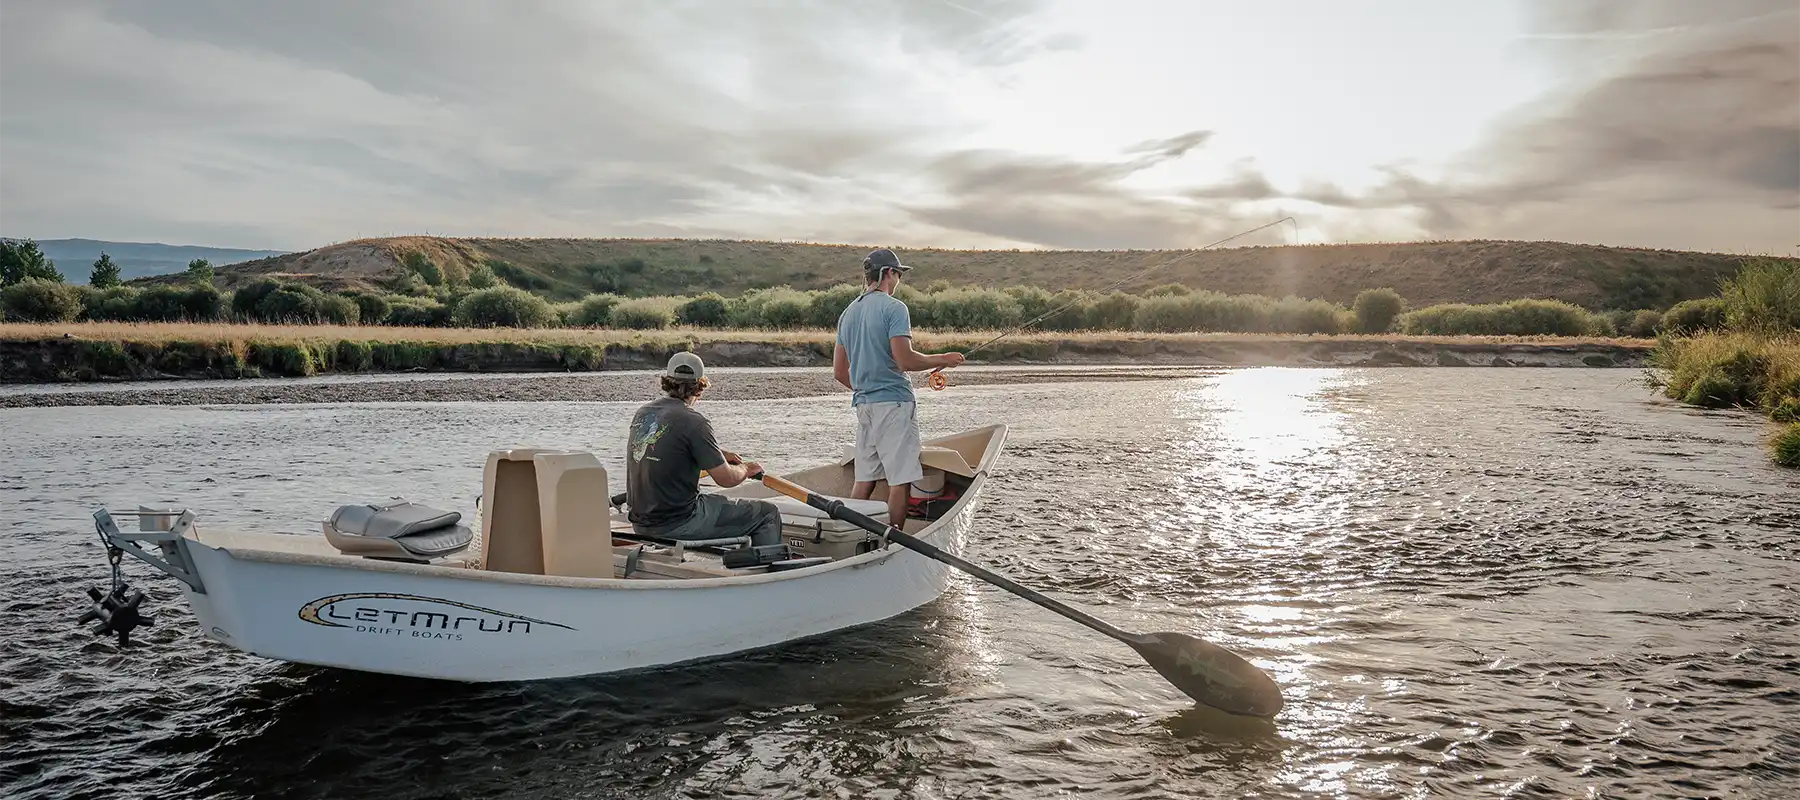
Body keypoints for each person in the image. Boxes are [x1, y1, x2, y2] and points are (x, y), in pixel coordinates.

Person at [832, 248, 965, 527]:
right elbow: (904, 360)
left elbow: (839, 372)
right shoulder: (895, 308)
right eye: (899, 273)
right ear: (888, 273)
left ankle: (850, 535)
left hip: (864, 406)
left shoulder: (848, 313)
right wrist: (945, 359)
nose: (899, 279)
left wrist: (867, 388)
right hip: (894, 405)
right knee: (900, 480)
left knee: (865, 479)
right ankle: (890, 545)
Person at [625, 352, 783, 547]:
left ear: (666, 382)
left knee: (713, 502)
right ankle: (770, 571)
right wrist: (747, 469)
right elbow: (727, 479)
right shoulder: (695, 421)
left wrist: (717, 453)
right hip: (678, 522)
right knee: (768, 514)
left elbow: (668, 449)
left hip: (641, 524)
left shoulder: (644, 413)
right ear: (699, 388)